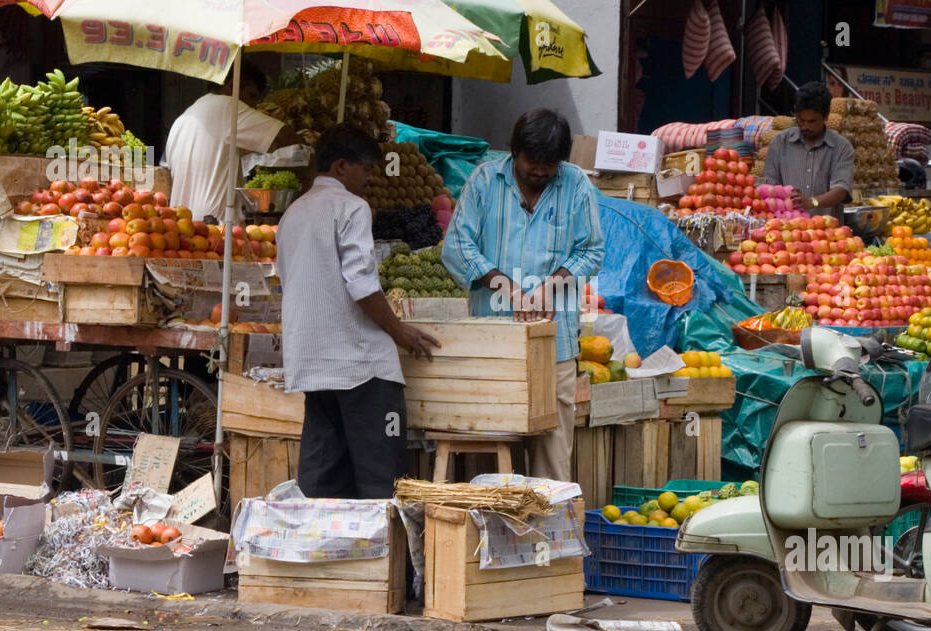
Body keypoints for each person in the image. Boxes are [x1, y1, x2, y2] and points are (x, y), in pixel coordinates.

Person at [443, 109, 604, 483]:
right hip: (494, 343)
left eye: (549, 165)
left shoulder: (576, 184)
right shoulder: (484, 181)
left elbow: (591, 250)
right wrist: (510, 290)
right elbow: (457, 246)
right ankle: (492, 537)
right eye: (532, 161)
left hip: (556, 345)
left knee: (553, 461)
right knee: (493, 458)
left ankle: (549, 536)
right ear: (514, 151)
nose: (540, 171)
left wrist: (550, 287)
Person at [279, 127, 440, 499]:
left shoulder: (293, 212)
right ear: (340, 166)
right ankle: (389, 557)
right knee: (382, 480)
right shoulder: (351, 207)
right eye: (366, 170)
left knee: (322, 479)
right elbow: (362, 284)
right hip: (361, 368)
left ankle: (326, 554)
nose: (370, 179)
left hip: (312, 362)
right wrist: (400, 331)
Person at [163, 66, 300, 223]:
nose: (253, 106)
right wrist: (310, 178)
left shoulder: (184, 117)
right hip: (216, 228)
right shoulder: (229, 107)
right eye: (251, 96)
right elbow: (285, 135)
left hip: (182, 224)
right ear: (232, 86)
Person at [763, 81, 855, 220]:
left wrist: (812, 202)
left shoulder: (841, 147)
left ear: (826, 116)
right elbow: (769, 187)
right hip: (786, 231)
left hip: (826, 235)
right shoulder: (780, 142)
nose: (805, 126)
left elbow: (841, 190)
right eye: (801, 120)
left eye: (812, 121)